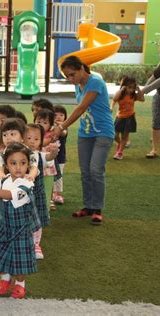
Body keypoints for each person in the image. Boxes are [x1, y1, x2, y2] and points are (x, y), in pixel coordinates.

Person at [52, 55, 115, 226]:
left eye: (72, 74)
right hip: (85, 133)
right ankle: (88, 206)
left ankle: (97, 209)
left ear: (81, 69)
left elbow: (81, 108)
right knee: (85, 171)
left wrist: (61, 127)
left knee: (96, 170)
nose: (70, 79)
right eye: (67, 76)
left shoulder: (95, 81)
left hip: (103, 131)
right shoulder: (78, 85)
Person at [0, 143, 40, 299]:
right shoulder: (5, 180)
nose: (18, 167)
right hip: (3, 227)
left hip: (21, 230)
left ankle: (20, 284)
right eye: (13, 163)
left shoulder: (27, 184)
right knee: (0, 255)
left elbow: (9, 195)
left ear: (28, 165)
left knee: (20, 259)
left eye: (23, 163)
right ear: (7, 166)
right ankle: (5, 279)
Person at [25, 124, 56, 259]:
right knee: (23, 219)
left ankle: (36, 244)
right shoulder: (17, 154)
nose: (32, 141)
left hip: (36, 194)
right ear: (22, 138)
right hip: (21, 196)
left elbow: (49, 157)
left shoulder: (39, 155)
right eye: (29, 138)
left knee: (37, 221)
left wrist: (54, 152)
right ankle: (24, 242)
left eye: (36, 139)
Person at [110, 76, 144, 160]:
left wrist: (138, 90)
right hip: (120, 117)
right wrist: (121, 90)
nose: (131, 90)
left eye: (133, 88)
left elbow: (142, 99)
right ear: (124, 86)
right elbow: (114, 99)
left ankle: (120, 152)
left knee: (124, 136)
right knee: (114, 134)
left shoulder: (133, 96)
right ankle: (121, 144)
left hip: (129, 118)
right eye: (129, 88)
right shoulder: (120, 94)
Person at [34, 109, 60, 211]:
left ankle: (48, 202)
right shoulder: (32, 132)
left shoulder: (51, 134)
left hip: (47, 165)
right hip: (36, 165)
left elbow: (41, 144)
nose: (41, 125)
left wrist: (58, 127)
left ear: (50, 125)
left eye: (45, 123)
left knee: (48, 185)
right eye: (38, 122)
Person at [52, 105, 69, 205]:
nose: (58, 117)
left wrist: (60, 126)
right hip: (50, 156)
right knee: (50, 175)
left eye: (61, 115)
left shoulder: (64, 128)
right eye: (55, 115)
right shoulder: (49, 126)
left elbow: (63, 133)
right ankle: (51, 193)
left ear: (65, 118)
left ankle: (58, 194)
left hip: (60, 157)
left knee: (58, 176)